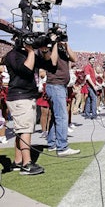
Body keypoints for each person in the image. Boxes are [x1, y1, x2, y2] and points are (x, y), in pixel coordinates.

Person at [3, 36, 55, 174]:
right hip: (20, 96)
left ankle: (18, 161)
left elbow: (50, 64)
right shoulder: (13, 55)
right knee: (25, 129)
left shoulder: (25, 54)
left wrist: (44, 49)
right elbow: (26, 71)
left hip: (26, 96)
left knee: (21, 129)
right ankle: (27, 164)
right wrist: (31, 52)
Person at [39, 32, 80, 157]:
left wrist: (66, 44)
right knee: (61, 117)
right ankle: (62, 147)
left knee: (55, 116)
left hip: (60, 86)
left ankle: (52, 143)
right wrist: (54, 43)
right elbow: (53, 62)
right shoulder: (47, 49)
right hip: (55, 85)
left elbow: (75, 59)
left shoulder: (62, 49)